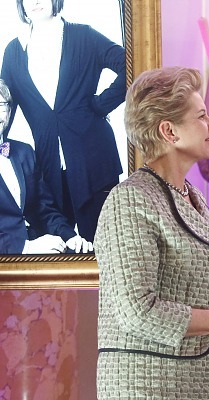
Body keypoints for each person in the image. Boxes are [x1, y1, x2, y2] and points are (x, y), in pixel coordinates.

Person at [95, 66, 209, 399]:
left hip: (191, 381)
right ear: (169, 131)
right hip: (145, 386)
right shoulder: (130, 199)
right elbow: (137, 311)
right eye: (201, 116)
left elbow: (180, 297)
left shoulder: (194, 200)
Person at [1, 0, 126, 242]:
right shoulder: (14, 51)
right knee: (58, 244)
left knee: (104, 243)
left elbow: (131, 65)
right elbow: (4, 104)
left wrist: (100, 105)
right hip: (48, 167)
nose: (36, 1)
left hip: (94, 158)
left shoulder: (84, 36)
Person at [0, 78, 91, 254]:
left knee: (87, 260)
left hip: (39, 248)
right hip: (6, 259)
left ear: (9, 111)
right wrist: (26, 247)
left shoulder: (24, 152)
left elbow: (44, 208)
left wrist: (70, 237)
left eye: (1, 105)